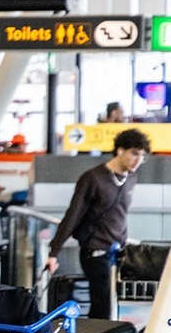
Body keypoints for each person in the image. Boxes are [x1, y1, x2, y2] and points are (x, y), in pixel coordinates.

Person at [46, 128, 151, 319]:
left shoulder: (131, 178)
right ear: (120, 150)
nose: (138, 160)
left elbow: (121, 214)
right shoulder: (92, 178)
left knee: (112, 304)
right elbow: (73, 215)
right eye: (134, 153)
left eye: (142, 156)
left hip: (118, 252)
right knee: (102, 305)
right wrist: (54, 252)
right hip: (94, 251)